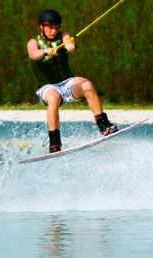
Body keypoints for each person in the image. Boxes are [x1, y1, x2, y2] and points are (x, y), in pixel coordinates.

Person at [27, 9, 118, 153]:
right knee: (54, 98)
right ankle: (54, 142)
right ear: (41, 27)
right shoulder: (33, 42)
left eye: (56, 27)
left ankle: (104, 125)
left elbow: (70, 45)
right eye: (50, 27)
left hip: (66, 83)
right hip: (46, 87)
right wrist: (46, 51)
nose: (54, 30)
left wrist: (66, 47)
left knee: (87, 85)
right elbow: (33, 54)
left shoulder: (62, 35)